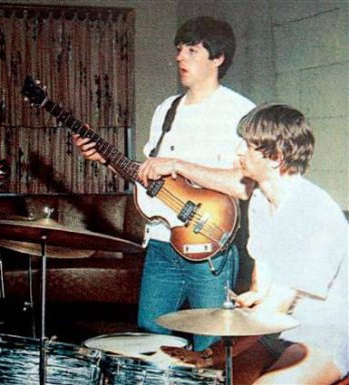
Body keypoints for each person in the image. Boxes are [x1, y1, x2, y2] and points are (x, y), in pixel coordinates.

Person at [73, 16, 255, 351]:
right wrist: (107, 160)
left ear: (218, 58)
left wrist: (177, 163)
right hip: (160, 243)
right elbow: (152, 181)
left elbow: (243, 186)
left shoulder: (239, 112)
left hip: (210, 249)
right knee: (148, 344)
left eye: (191, 50)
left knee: (212, 348)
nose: (179, 57)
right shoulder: (166, 110)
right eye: (178, 49)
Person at [161, 104, 348, 385]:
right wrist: (254, 295)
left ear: (275, 157)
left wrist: (212, 354)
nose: (238, 151)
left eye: (247, 145)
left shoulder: (314, 211)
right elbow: (263, 282)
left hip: (326, 334)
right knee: (221, 380)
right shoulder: (260, 200)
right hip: (279, 332)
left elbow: (275, 308)